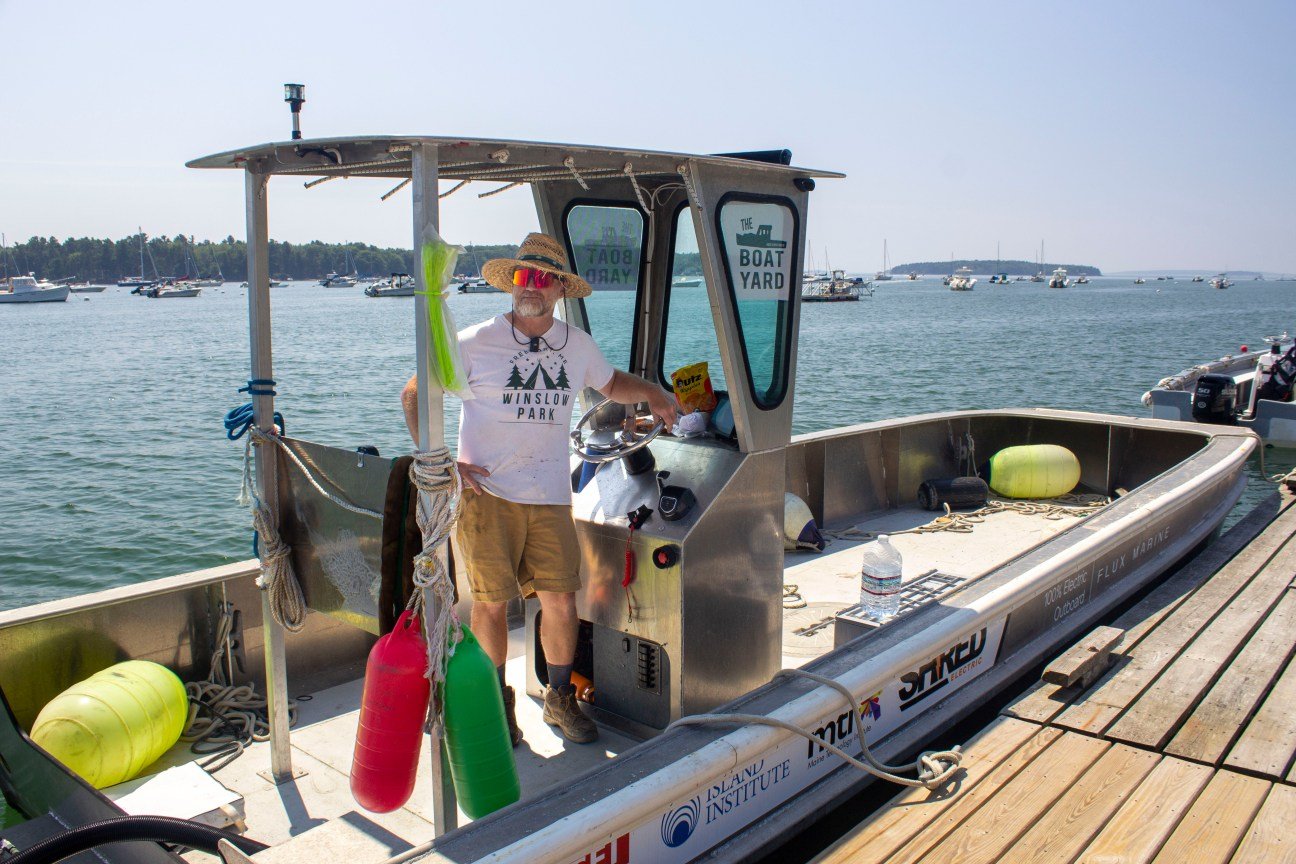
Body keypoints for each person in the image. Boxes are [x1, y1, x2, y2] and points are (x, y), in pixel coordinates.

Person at [402, 232, 678, 746]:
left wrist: (656, 394)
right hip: (488, 498)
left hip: (550, 495)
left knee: (561, 601)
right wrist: (440, 460)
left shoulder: (577, 346)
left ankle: (558, 699)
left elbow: (611, 384)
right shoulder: (476, 341)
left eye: (545, 279)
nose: (534, 287)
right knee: (489, 606)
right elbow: (416, 391)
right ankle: (497, 704)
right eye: (525, 276)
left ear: (558, 291)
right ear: (512, 284)